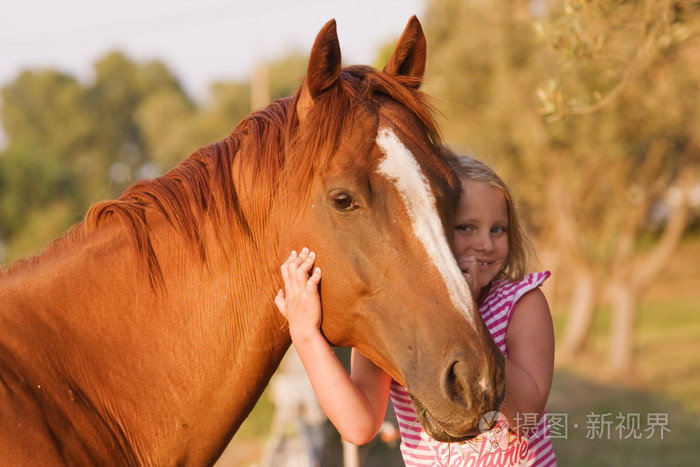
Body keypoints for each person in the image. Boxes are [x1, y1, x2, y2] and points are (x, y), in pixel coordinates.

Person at [274, 155, 556, 466]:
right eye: (466, 227)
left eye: (498, 229)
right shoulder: (394, 313)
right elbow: (359, 426)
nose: (486, 244)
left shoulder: (523, 302)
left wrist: (464, 314)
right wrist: (305, 335)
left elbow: (527, 410)